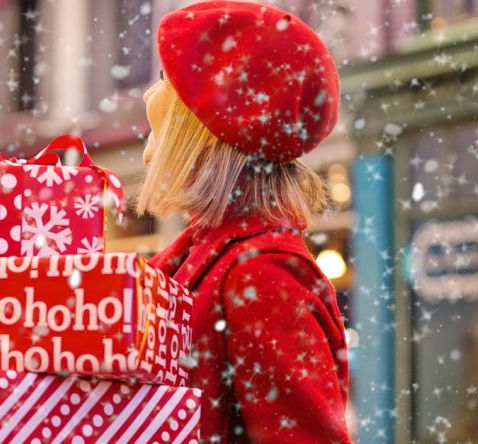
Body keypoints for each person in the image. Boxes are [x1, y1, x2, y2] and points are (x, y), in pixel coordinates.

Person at [138, 1, 351, 442]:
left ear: (198, 137)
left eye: (158, 130)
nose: (147, 153)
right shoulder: (205, 260)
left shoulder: (261, 276)